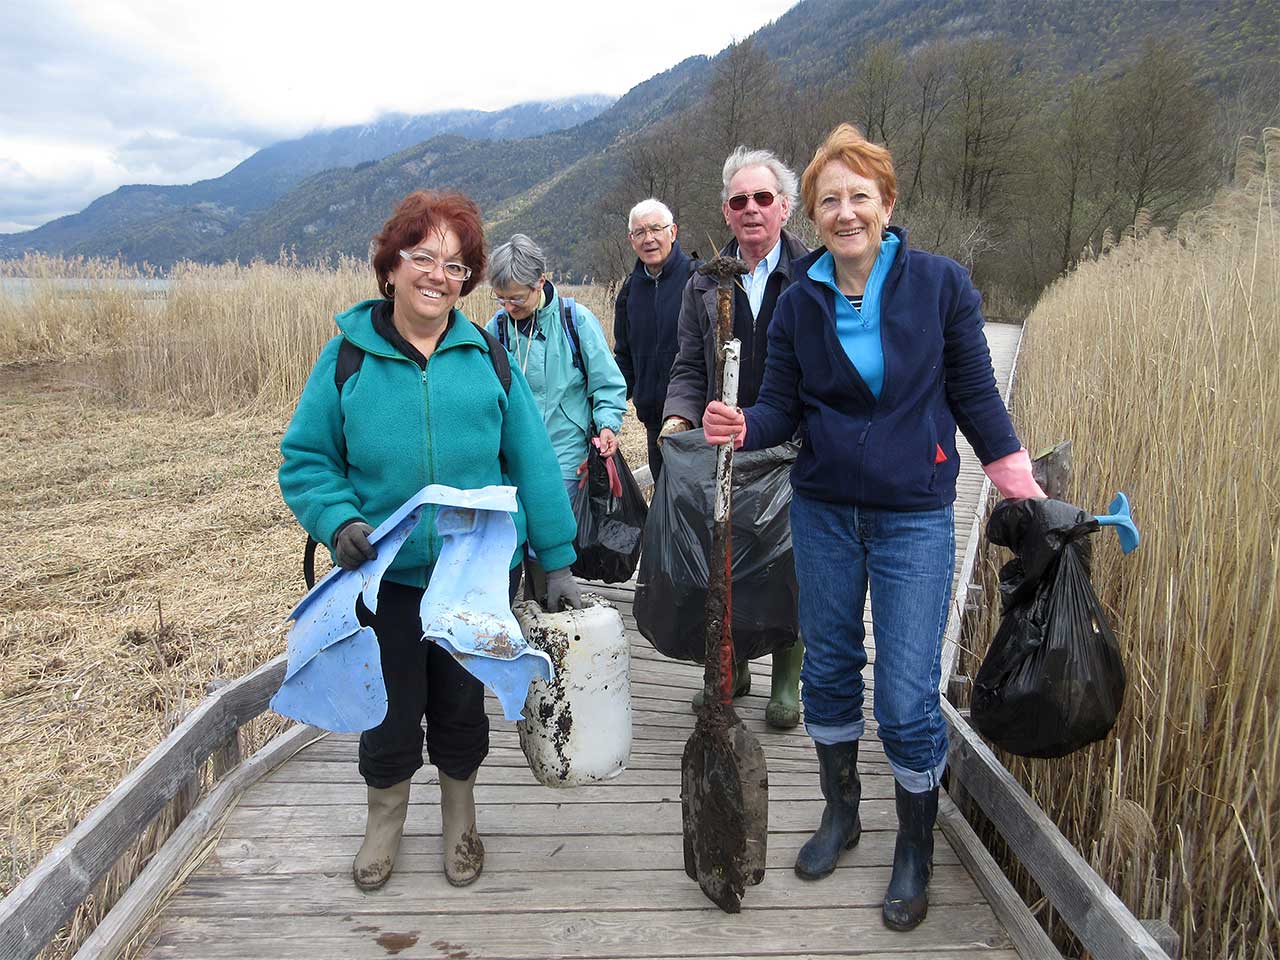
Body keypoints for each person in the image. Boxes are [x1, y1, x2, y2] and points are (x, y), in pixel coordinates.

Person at [702, 124, 1046, 931]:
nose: (846, 212)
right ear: (811, 216)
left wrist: (1019, 488)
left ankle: (915, 847)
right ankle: (842, 813)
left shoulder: (941, 286)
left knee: (903, 696)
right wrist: (742, 422)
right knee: (826, 671)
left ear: (888, 204)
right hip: (822, 511)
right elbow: (783, 406)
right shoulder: (799, 301)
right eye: (831, 200)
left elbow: (975, 396)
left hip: (915, 516)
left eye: (861, 196)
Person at [279, 191, 582, 893]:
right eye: (422, 258)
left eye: (454, 265)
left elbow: (531, 461)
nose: (437, 276)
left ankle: (460, 818)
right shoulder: (345, 359)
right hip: (382, 582)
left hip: (472, 579)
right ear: (390, 269)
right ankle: (384, 821)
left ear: (467, 280)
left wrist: (556, 558)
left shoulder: (486, 357)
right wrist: (337, 519)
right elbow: (307, 461)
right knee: (388, 709)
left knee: (457, 703)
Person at [661, 146, 809, 729]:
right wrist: (678, 419)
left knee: (788, 564)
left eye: (763, 198)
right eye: (739, 200)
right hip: (723, 443)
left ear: (785, 209)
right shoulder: (703, 281)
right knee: (729, 558)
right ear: (726, 212)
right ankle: (733, 667)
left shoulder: (811, 275)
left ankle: (787, 681)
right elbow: (689, 367)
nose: (752, 209)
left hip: (793, 443)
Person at [485, 234, 628, 593]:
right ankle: (532, 610)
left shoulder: (575, 321)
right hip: (511, 455)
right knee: (513, 534)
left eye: (516, 297)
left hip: (565, 451)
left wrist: (609, 425)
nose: (508, 306)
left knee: (546, 533)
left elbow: (607, 384)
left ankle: (548, 610)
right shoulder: (496, 329)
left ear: (541, 282)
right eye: (501, 297)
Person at [613, 198, 695, 481]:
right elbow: (624, 358)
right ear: (631, 239)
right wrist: (605, 409)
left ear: (672, 231)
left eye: (656, 229)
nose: (649, 239)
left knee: (697, 509)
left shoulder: (698, 280)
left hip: (695, 424)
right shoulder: (629, 292)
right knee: (665, 506)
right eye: (640, 232)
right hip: (652, 421)